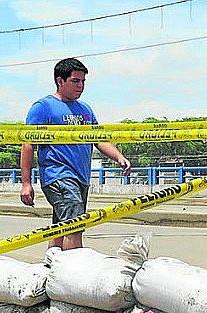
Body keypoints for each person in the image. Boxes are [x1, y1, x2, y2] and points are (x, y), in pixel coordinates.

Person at [19, 57, 130, 250]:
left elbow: (98, 138)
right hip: (58, 176)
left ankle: (51, 266)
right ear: (60, 81)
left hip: (81, 177)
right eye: (75, 81)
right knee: (75, 225)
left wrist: (118, 156)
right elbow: (28, 145)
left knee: (61, 227)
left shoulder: (85, 109)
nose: (81, 86)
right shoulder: (43, 107)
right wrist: (26, 183)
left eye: (83, 81)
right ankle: (74, 273)